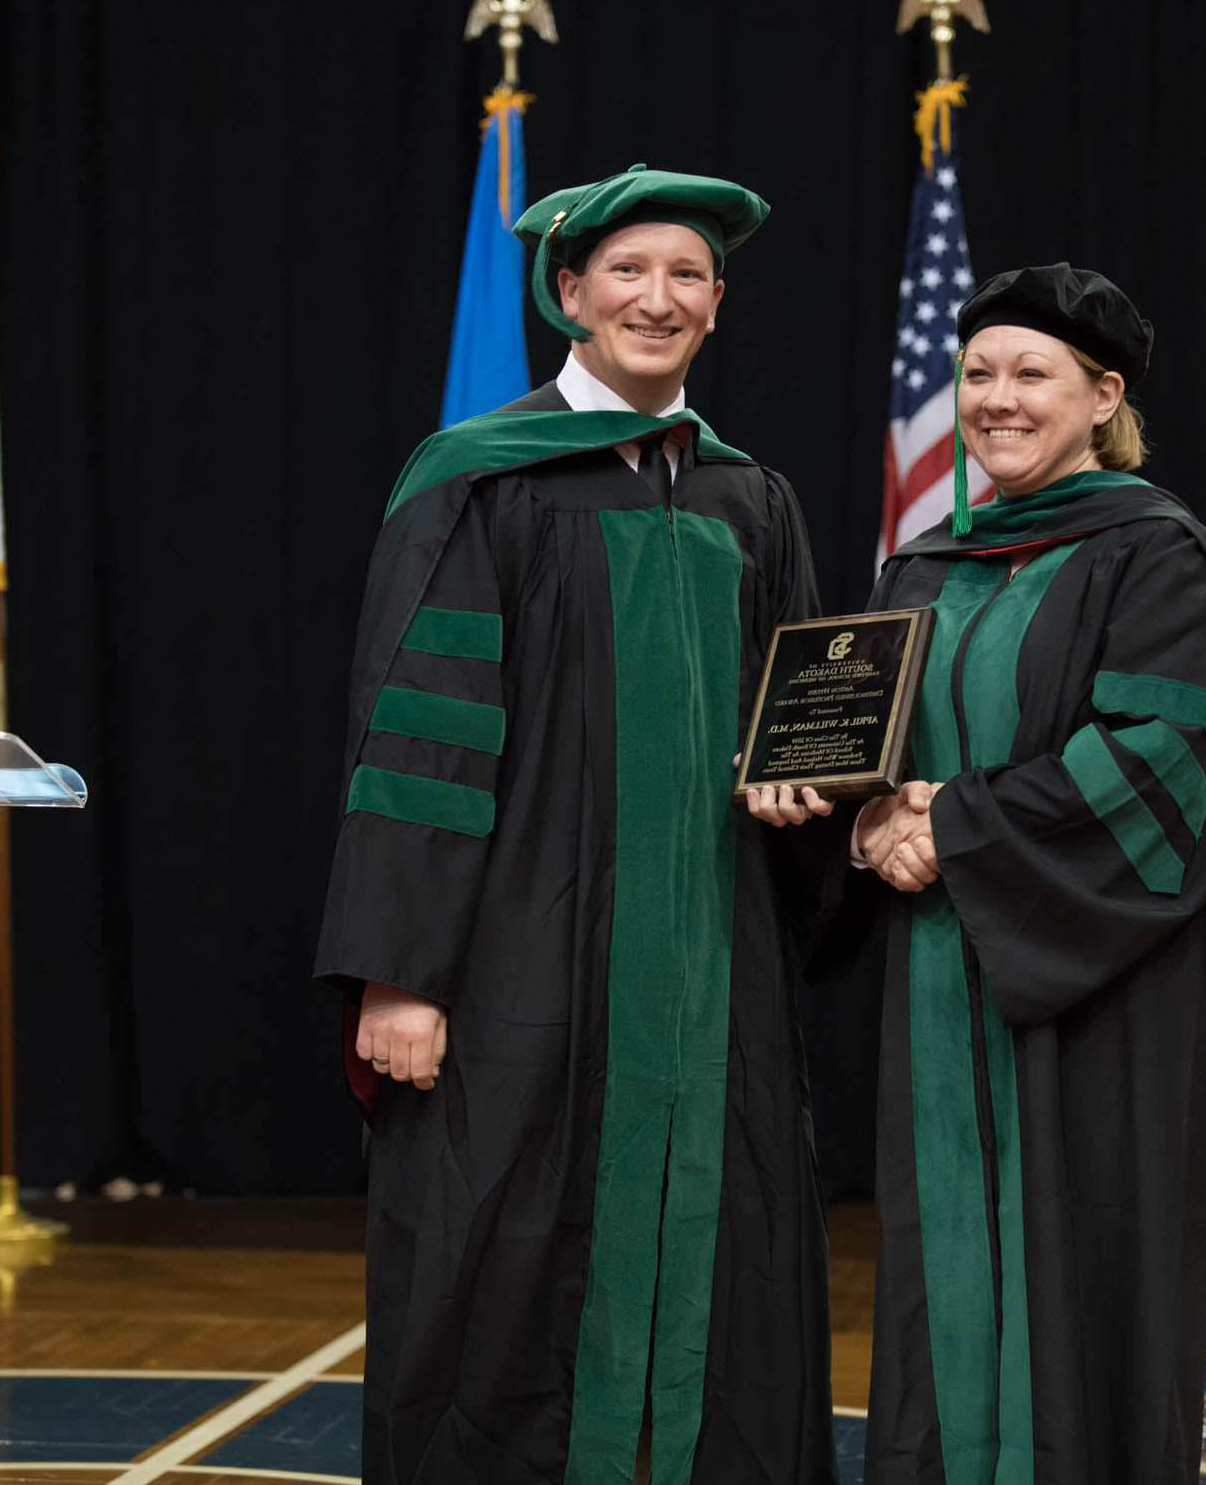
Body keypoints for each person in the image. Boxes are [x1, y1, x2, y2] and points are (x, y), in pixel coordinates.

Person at [314, 165, 837, 1484]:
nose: (655, 301)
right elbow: (415, 736)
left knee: (719, 1248)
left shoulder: (748, 497)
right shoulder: (479, 480)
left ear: (718, 305)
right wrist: (399, 972)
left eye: (685, 278)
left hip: (713, 965)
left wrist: (809, 789)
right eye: (626, 273)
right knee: (497, 1252)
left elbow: (806, 724)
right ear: (568, 293)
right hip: (517, 964)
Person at [824, 263, 1206, 1484]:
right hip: (940, 974)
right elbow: (863, 752)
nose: (997, 400)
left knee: (1085, 1261)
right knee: (943, 1265)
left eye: (1033, 374)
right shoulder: (923, 566)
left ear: (1102, 396)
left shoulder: (1157, 556)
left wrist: (949, 824)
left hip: (1099, 984)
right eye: (977, 373)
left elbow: (1162, 764)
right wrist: (864, 823)